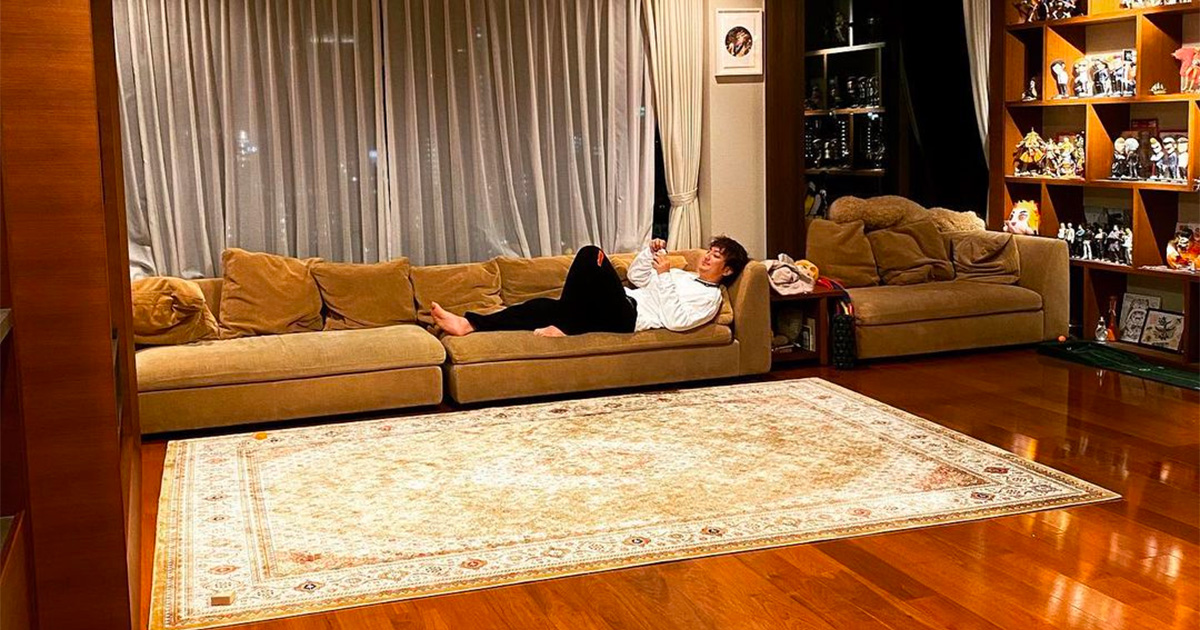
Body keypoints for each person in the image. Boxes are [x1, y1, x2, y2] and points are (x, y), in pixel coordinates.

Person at [432, 236, 750, 338]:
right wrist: (649, 253)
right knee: (541, 306)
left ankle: (569, 324)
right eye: (709, 251)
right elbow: (638, 277)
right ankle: (469, 324)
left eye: (716, 256)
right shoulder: (683, 275)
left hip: (629, 318)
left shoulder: (710, 298)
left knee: (590, 255)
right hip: (624, 300)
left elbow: (677, 321)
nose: (707, 257)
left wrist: (665, 276)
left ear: (728, 270)